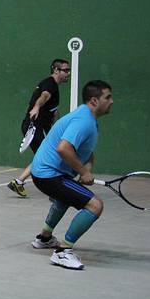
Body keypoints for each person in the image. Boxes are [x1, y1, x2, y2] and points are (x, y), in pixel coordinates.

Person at [28, 80, 114, 270]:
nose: (112, 101)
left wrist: (87, 169)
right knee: (95, 205)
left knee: (64, 198)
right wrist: (83, 172)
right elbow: (64, 148)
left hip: (45, 172)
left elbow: (87, 150)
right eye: (107, 97)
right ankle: (62, 252)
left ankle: (44, 238)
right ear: (94, 101)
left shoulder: (88, 118)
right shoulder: (83, 121)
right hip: (49, 175)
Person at [7, 59, 71, 197]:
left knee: (43, 156)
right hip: (35, 127)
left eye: (69, 70)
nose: (68, 73)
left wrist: (58, 126)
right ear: (56, 70)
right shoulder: (50, 84)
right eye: (66, 70)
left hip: (39, 126)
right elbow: (44, 96)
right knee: (48, 157)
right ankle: (54, 188)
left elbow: (54, 110)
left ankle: (18, 182)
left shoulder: (52, 86)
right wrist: (36, 107)